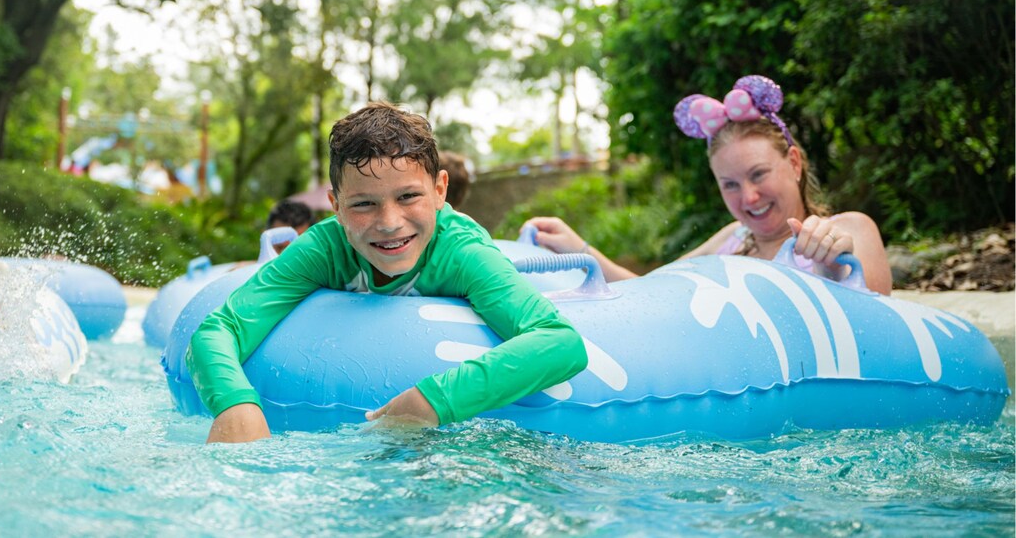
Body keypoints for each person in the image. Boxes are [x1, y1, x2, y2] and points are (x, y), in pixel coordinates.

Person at [188, 101, 589, 443]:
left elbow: (561, 342)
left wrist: (430, 401)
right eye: (363, 204)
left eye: (409, 196)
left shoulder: (463, 253)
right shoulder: (326, 248)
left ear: (440, 189)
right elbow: (219, 330)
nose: (389, 222)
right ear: (336, 205)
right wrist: (234, 403)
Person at [523, 75, 892, 295]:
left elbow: (879, 335)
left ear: (793, 163)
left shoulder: (849, 229)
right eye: (729, 184)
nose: (748, 196)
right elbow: (650, 289)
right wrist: (581, 249)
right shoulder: (731, 239)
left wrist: (832, 266)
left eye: (758, 174)